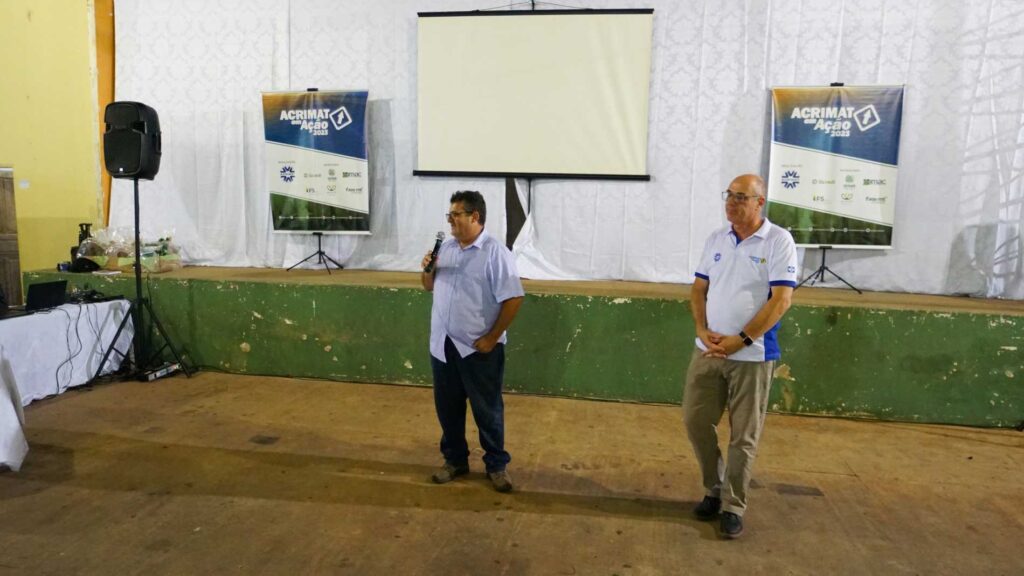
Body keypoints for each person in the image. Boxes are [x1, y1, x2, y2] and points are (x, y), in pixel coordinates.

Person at [683, 174, 798, 539]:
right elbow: (698, 289)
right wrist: (702, 329)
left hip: (753, 355)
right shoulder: (717, 239)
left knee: (743, 436)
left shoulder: (778, 241)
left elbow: (781, 300)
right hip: (708, 351)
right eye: (729, 196)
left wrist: (742, 339)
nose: (731, 203)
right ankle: (713, 488)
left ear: (759, 202)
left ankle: (733, 505)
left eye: (741, 197)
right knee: (695, 421)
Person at [421, 190, 525, 493]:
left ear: (475, 216)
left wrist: (492, 338)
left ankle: (496, 465)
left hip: (478, 350)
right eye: (449, 215)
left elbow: (514, 298)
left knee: (487, 411)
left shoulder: (495, 253)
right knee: (448, 410)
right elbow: (427, 286)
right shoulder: (445, 249)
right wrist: (427, 269)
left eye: (456, 215)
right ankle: (454, 460)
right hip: (443, 348)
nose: (450, 221)